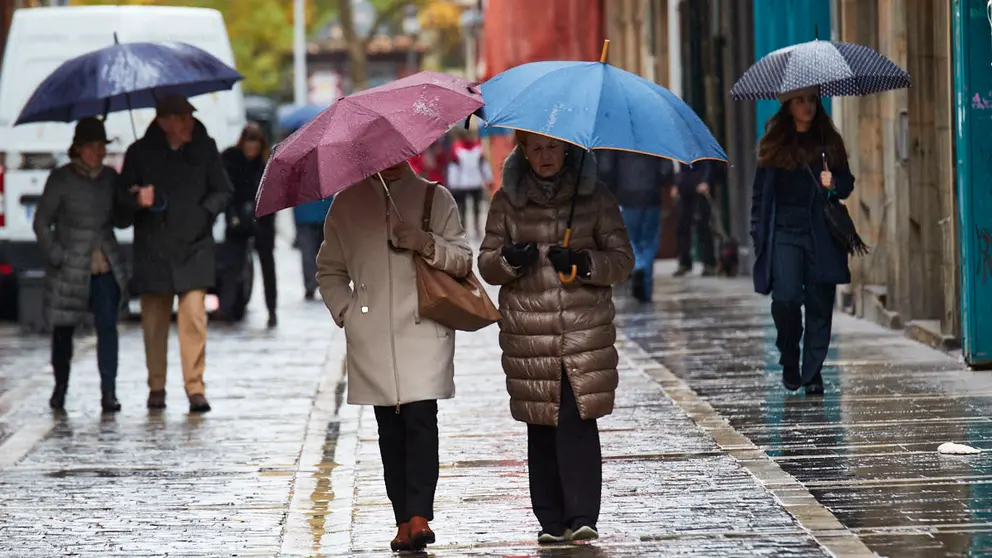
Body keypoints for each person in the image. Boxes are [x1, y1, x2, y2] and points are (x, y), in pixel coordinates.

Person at [478, 131, 633, 544]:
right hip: (531, 333)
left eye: (551, 147)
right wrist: (510, 260)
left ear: (566, 148)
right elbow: (487, 264)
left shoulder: (594, 198)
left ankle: (583, 514)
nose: (544, 155)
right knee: (541, 423)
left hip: (583, 329)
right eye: (535, 148)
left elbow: (622, 260)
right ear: (523, 151)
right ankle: (550, 519)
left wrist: (583, 262)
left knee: (578, 419)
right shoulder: (507, 202)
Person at [316, 160, 471, 552]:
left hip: (424, 329)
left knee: (421, 421)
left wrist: (425, 243)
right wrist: (347, 313)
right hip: (371, 335)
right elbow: (329, 270)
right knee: (390, 430)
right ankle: (402, 519)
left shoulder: (436, 198)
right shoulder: (346, 204)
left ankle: (419, 516)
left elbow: (462, 260)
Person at [116, 93, 233, 413]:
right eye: (181, 118)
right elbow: (119, 211)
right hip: (154, 250)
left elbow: (224, 191)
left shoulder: (205, 148)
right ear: (163, 122)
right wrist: (137, 198)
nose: (188, 123)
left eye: (190, 116)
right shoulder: (139, 153)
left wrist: (204, 212)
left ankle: (195, 387)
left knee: (194, 316)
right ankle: (156, 386)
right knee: (154, 321)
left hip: (195, 246)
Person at [750, 86, 855, 396]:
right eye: (800, 101)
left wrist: (833, 183)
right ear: (788, 106)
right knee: (786, 299)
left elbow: (846, 184)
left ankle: (812, 372)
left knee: (820, 304)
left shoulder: (829, 142)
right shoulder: (774, 145)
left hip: (821, 233)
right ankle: (789, 355)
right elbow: (760, 195)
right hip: (784, 233)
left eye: (812, 100)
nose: (807, 106)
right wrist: (757, 233)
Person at [33, 117, 128, 412]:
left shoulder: (110, 178)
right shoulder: (61, 179)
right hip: (69, 268)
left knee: (107, 328)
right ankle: (60, 388)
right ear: (78, 148)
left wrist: (133, 199)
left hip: (104, 265)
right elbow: (41, 222)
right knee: (63, 330)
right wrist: (56, 255)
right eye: (92, 146)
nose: (98, 152)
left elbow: (121, 219)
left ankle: (109, 392)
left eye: (102, 146)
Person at [218, 123, 277, 327]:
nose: (251, 149)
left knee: (267, 266)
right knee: (233, 265)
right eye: (248, 144)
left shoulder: (267, 163)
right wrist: (232, 213)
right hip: (237, 219)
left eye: (255, 144)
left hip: (262, 220)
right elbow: (225, 189)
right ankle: (228, 308)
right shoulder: (231, 160)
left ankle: (272, 309)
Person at [597, 150, 674, 302]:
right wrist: (661, 181)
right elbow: (666, 168)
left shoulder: (617, 142)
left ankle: (638, 265)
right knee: (649, 242)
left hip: (627, 196)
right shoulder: (655, 140)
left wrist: (610, 188)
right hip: (652, 196)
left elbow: (606, 169)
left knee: (629, 238)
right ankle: (646, 289)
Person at [672, 160, 719, 277]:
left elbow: (709, 163)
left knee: (703, 226)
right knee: (683, 226)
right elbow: (679, 167)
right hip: (685, 188)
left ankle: (709, 263)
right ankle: (684, 262)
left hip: (700, 188)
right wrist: (677, 184)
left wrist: (706, 180)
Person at [446, 129, 491, 237]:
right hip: (463, 184)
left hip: (476, 182)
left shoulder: (478, 147)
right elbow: (454, 167)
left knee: (476, 208)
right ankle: (464, 229)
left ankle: (477, 228)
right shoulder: (457, 148)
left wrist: (488, 178)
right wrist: (453, 182)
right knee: (463, 209)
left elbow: (483, 164)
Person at [293, 196, 333, 300]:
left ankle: (310, 284)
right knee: (325, 254)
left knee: (308, 253)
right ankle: (325, 283)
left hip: (305, 215)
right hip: (324, 213)